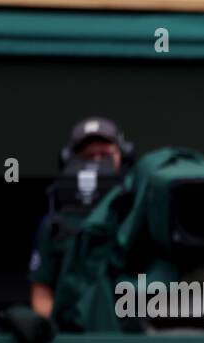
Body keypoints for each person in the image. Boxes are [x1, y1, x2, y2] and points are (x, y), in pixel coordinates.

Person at [28, 117, 130, 320]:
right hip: (71, 336)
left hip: (125, 335)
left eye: (106, 155)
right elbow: (41, 293)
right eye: (88, 156)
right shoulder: (55, 224)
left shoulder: (136, 213)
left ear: (122, 156)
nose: (98, 162)